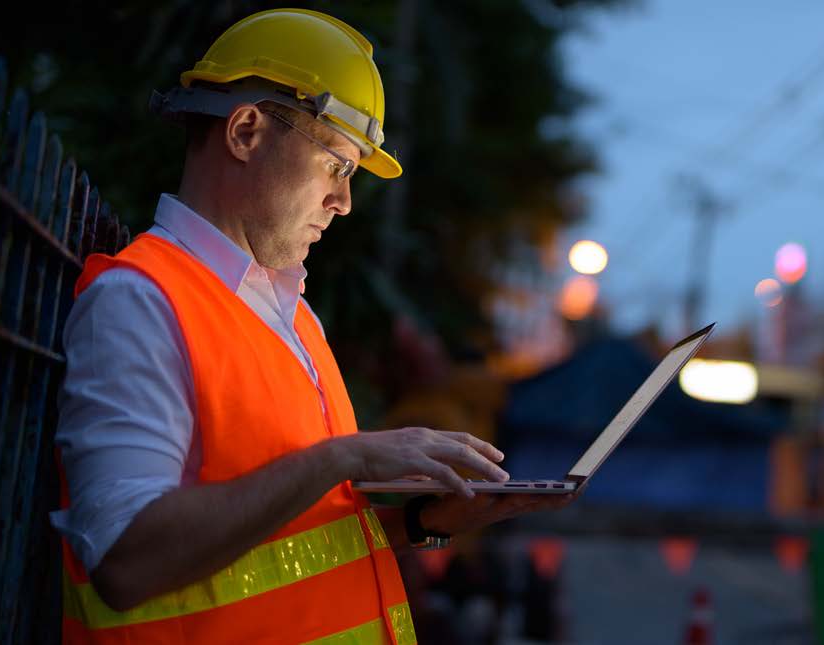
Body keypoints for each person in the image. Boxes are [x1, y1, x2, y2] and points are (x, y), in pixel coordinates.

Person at [51, 8, 569, 643]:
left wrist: (427, 522)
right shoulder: (138, 301)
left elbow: (286, 546)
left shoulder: (292, 315)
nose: (345, 202)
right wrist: (343, 457)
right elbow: (126, 561)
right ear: (245, 132)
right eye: (338, 165)